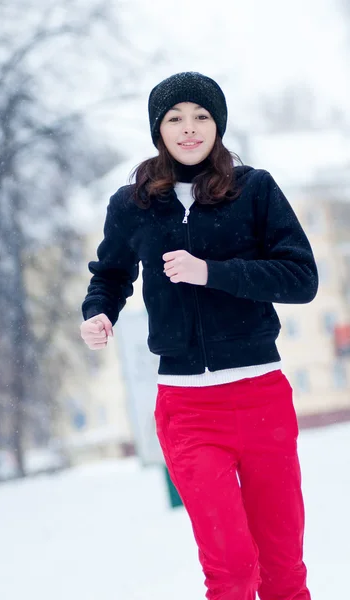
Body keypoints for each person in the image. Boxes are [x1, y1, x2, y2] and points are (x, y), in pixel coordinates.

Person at [80, 71, 318, 600]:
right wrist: (99, 313)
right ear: (158, 130)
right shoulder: (132, 204)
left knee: (283, 571)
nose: (189, 129)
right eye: (175, 119)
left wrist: (212, 271)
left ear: (218, 124)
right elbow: (111, 273)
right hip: (188, 412)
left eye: (201, 117)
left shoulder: (254, 189)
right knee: (231, 572)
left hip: (261, 400)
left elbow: (301, 278)